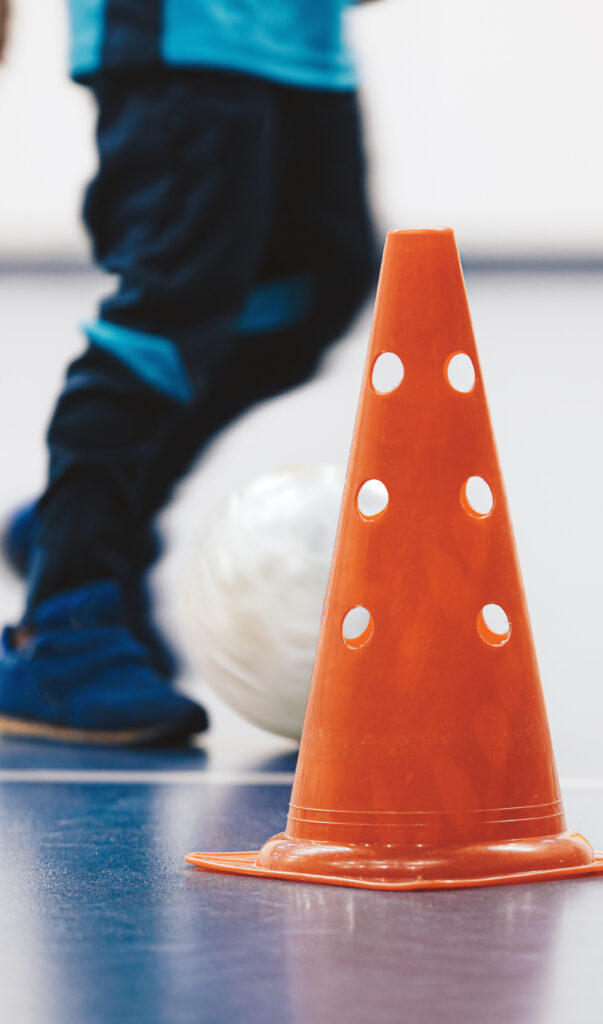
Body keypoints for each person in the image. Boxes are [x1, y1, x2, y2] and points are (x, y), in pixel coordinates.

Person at [0, 0, 378, 743]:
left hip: (299, 34)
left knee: (313, 294)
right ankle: (62, 624)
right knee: (169, 308)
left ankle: (79, 524)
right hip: (178, 32)